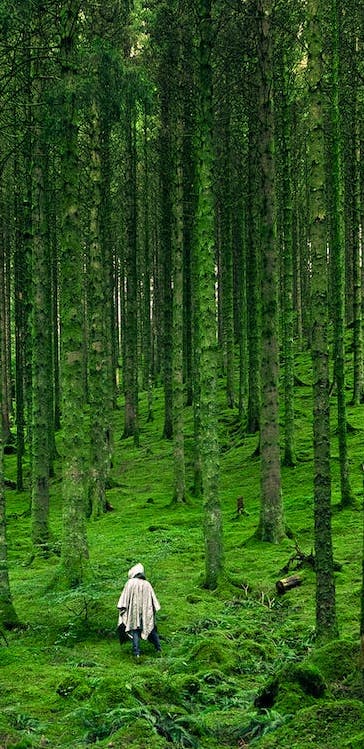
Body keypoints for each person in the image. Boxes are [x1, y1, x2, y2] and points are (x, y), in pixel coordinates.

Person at [117, 562, 161, 658]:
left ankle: (136, 653)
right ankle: (158, 649)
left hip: (133, 611)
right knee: (151, 628)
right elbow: (153, 599)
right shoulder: (147, 584)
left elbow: (124, 598)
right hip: (146, 611)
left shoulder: (130, 583)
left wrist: (123, 607)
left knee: (135, 629)